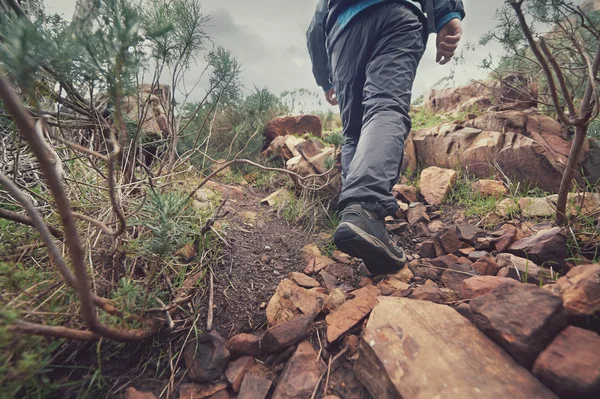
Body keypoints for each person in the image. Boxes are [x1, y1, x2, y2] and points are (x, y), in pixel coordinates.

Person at [307, 0, 465, 275]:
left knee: (353, 132)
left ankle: (357, 218)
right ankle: (365, 213)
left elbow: (316, 24)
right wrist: (446, 13)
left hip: (342, 33)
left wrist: (325, 77)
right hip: (396, 13)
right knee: (385, 106)